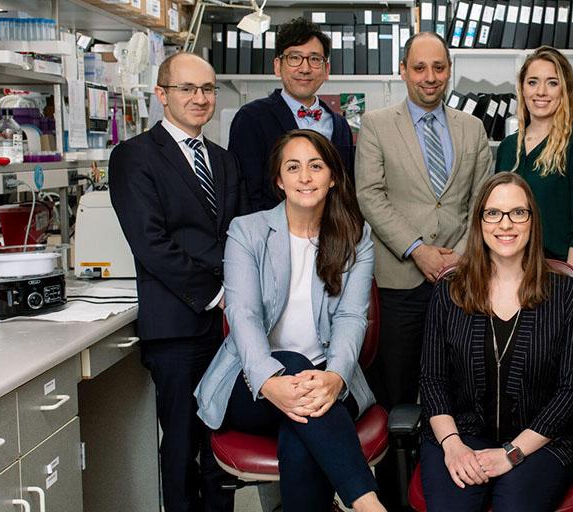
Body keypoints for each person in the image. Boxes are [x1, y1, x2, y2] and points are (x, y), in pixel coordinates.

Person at [194, 130, 384, 511]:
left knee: (300, 433)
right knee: (293, 368)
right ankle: (368, 504)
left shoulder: (355, 238)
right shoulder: (247, 232)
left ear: (333, 177)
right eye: (293, 167)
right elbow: (242, 315)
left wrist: (334, 377)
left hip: (326, 382)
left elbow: (351, 316)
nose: (305, 177)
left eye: (316, 166)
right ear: (279, 180)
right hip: (249, 384)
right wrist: (269, 381)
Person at [109, 52, 246, 512]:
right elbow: (152, 245)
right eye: (187, 88)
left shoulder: (224, 160)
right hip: (177, 325)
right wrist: (217, 292)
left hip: (228, 329)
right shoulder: (134, 157)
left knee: (220, 450)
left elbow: (240, 235)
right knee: (183, 446)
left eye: (207, 89)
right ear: (162, 94)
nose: (200, 98)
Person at [419, 172, 573, 511]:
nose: (505, 224)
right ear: (480, 221)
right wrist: (452, 445)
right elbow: (432, 381)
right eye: (493, 213)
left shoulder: (566, 293)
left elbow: (570, 391)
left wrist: (512, 453)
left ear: (532, 220)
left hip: (541, 440)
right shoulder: (450, 290)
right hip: (461, 433)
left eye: (518, 213)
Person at [355, 31, 492, 411]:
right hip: (400, 282)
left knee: (460, 386)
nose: (429, 76)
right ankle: (398, 471)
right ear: (403, 71)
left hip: (461, 279)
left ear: (449, 71)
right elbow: (369, 195)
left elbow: (483, 200)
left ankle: (449, 462)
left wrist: (460, 256)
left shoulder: (473, 128)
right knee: (397, 391)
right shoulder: (376, 124)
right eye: (419, 67)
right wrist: (418, 250)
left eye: (438, 67)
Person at [495, 46, 573, 279]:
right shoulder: (507, 147)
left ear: (565, 90)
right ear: (522, 88)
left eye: (552, 83)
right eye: (533, 82)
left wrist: (570, 290)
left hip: (555, 276)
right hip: (507, 274)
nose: (541, 91)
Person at [229, 17, 355, 211]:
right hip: (273, 235)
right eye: (295, 58)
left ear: (326, 69)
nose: (305, 69)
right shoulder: (251, 118)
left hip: (333, 235)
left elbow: (346, 189)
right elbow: (244, 193)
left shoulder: (339, 124)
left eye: (314, 59)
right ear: (278, 66)